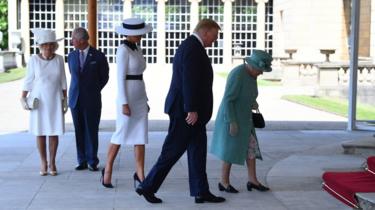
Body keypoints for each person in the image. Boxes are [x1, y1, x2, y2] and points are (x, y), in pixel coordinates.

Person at [136, 19, 225, 204]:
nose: (215, 40)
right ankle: (147, 186)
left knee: (197, 152)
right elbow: (189, 80)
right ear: (206, 32)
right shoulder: (193, 48)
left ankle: (201, 191)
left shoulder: (191, 46)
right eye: (215, 36)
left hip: (193, 113)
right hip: (186, 112)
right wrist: (191, 109)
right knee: (172, 151)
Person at [210, 49, 272, 193]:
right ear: (252, 65)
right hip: (233, 119)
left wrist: (253, 102)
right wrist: (232, 121)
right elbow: (228, 100)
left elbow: (248, 93)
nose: (261, 73)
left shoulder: (252, 76)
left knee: (251, 148)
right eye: (261, 69)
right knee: (230, 151)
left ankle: (252, 180)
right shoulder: (238, 74)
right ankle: (223, 182)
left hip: (246, 120)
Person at [101, 18, 153, 188]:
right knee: (120, 133)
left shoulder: (137, 48)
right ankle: (107, 169)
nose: (141, 36)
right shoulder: (122, 50)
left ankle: (140, 174)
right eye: (138, 33)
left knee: (140, 135)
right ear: (130, 34)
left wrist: (145, 100)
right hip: (127, 97)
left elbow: (140, 76)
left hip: (139, 95)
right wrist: (124, 102)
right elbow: (120, 78)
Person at [21, 29, 67, 176]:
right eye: (45, 45)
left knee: (54, 132)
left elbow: (63, 80)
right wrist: (23, 97)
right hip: (38, 101)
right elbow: (28, 80)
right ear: (40, 46)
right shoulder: (34, 60)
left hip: (55, 99)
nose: (48, 48)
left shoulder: (59, 59)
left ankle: (52, 161)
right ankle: (43, 161)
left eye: (51, 45)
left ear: (55, 46)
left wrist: (65, 99)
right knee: (40, 132)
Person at [68, 27, 109, 172]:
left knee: (91, 130)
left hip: (92, 99)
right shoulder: (71, 55)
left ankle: (92, 161)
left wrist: (93, 90)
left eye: (73, 38)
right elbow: (73, 75)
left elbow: (104, 78)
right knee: (79, 130)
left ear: (82, 40)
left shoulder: (98, 56)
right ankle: (81, 160)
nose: (71, 41)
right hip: (75, 99)